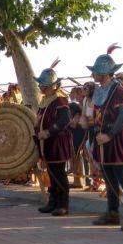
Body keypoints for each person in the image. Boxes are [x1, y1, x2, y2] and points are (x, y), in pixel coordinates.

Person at [88, 45, 123, 231]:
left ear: (103, 73)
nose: (93, 75)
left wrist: (109, 135)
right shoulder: (99, 90)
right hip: (102, 140)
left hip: (115, 139)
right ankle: (112, 212)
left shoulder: (118, 90)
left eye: (96, 72)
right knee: (109, 179)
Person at [33, 62, 73, 216]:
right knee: (51, 173)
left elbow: (64, 120)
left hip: (57, 142)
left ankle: (64, 204)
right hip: (47, 143)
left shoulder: (60, 100)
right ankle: (53, 201)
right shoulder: (45, 101)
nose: (41, 87)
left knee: (59, 173)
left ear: (53, 86)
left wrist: (49, 132)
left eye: (43, 84)